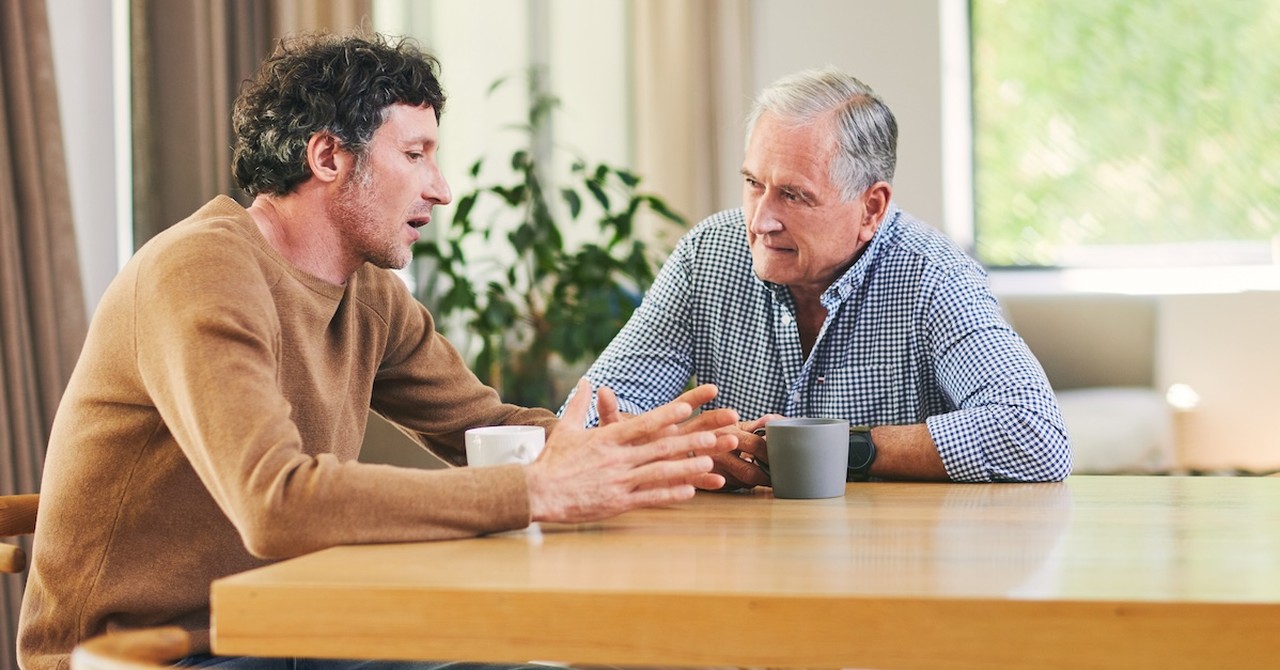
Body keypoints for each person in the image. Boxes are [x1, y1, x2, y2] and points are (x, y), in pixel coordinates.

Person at [18, 32, 740, 670]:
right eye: (416, 154)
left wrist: (634, 452)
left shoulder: (368, 294)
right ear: (329, 156)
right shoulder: (201, 272)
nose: (443, 188)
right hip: (150, 653)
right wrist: (538, 490)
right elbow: (277, 505)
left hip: (288, 633)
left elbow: (480, 431)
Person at [569, 67, 1071, 489]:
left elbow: (1034, 433)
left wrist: (839, 447)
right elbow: (587, 414)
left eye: (794, 195)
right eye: (752, 184)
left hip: (894, 564)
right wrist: (686, 443)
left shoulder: (934, 274)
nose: (760, 221)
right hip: (741, 561)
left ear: (871, 207)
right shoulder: (709, 253)